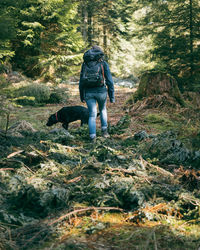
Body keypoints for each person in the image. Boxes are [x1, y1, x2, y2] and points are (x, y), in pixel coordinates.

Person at [79, 45, 115, 142]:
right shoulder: (103, 63)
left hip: (88, 92)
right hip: (101, 92)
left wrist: (81, 95)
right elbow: (109, 81)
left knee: (92, 114)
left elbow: (81, 81)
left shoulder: (85, 64)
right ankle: (104, 132)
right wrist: (112, 96)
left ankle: (92, 137)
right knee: (103, 110)